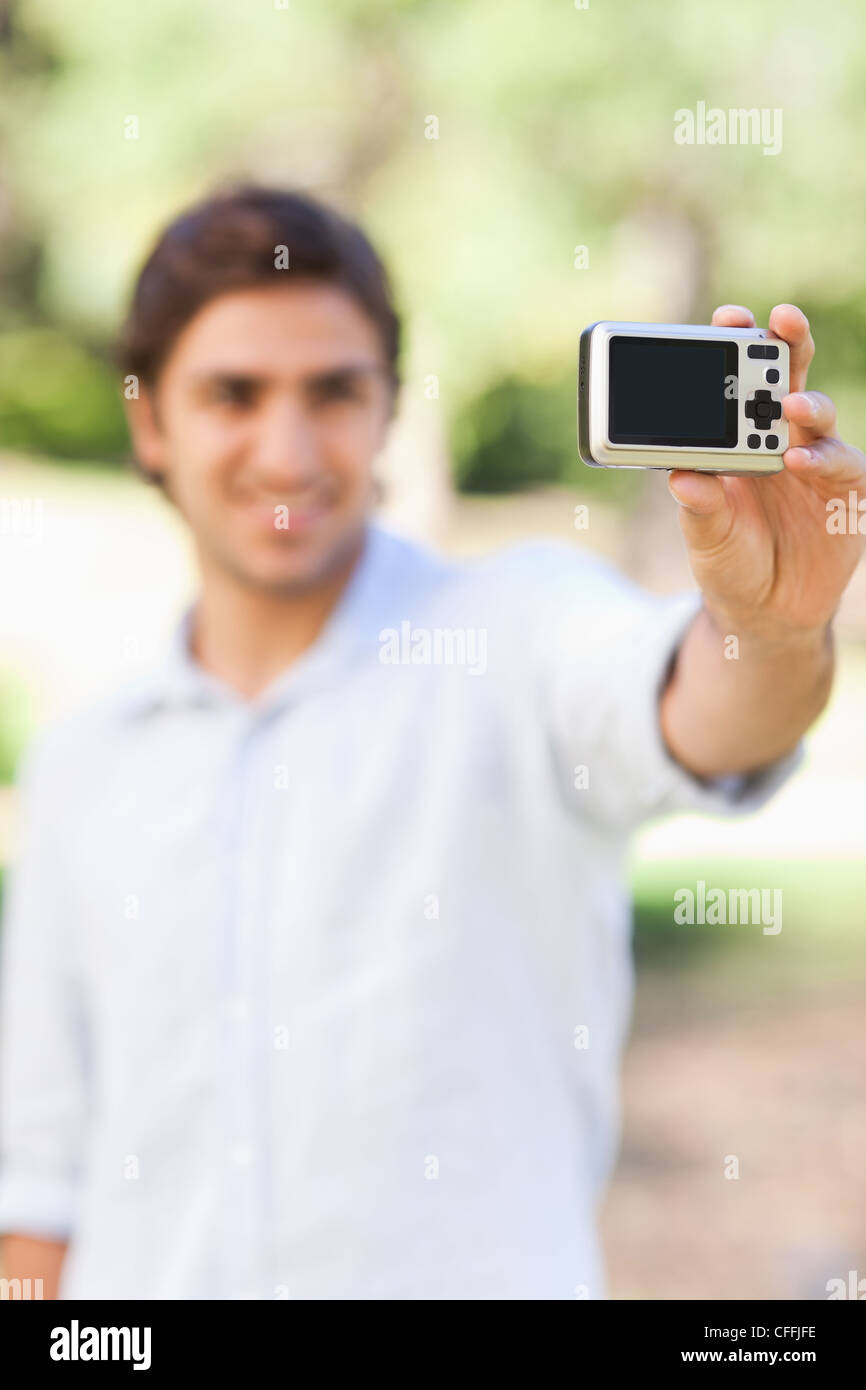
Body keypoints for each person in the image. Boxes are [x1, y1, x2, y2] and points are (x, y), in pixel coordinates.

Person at [0, 186, 862, 1300]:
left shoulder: (518, 633)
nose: (288, 447)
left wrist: (766, 629)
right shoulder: (83, 761)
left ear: (388, 409)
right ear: (150, 422)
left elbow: (704, 714)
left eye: (334, 391)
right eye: (232, 394)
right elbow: (37, 1190)